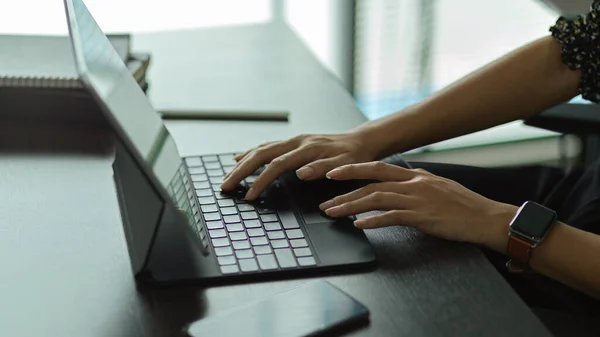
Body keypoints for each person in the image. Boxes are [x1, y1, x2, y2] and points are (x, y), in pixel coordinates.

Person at [221, 1, 600, 316]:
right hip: (580, 194)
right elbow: (575, 55)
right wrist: (365, 139)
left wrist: (493, 221)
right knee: (314, 185)